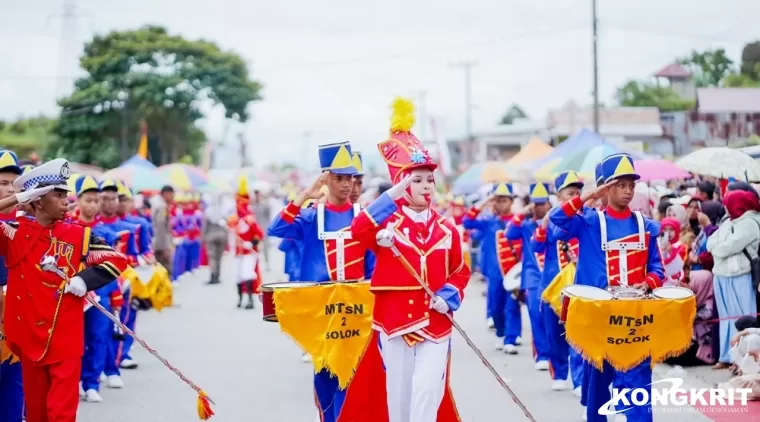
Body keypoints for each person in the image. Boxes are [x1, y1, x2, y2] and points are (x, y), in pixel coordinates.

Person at [340, 97, 466, 422]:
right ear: (401, 185)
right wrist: (391, 197)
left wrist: (449, 297)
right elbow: (358, 229)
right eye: (416, 180)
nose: (425, 186)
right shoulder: (385, 222)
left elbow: (460, 272)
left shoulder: (447, 228)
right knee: (398, 394)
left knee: (428, 389)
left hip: (436, 322)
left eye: (428, 179)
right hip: (394, 320)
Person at [1, 159, 128, 422]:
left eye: (66, 195)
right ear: (38, 201)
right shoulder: (14, 234)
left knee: (60, 413)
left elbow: (117, 259)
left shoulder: (79, 236)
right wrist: (18, 198)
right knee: (36, 413)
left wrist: (83, 280)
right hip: (29, 340)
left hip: (65, 339)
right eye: (57, 195)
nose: (65, 202)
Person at [549, 153, 664, 422]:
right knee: (599, 386)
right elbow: (557, 219)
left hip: (634, 316)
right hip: (598, 318)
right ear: (607, 188)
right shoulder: (588, 222)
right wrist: (587, 196)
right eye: (620, 185)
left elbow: (657, 270)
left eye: (631, 185)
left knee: (638, 384)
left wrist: (647, 283)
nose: (627, 191)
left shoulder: (644, 226)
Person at [267, 141, 375, 422]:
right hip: (320, 311)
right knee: (324, 378)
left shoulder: (363, 218)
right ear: (326, 179)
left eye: (349, 178)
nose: (345, 184)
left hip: (355, 312)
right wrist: (304, 195)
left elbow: (373, 267)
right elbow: (276, 228)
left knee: (349, 379)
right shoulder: (312, 216)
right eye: (338, 178)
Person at [72, 175, 126, 400]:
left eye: (96, 201)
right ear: (78, 200)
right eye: (89, 200)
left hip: (100, 295)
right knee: (75, 342)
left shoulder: (106, 233)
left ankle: (92, 383)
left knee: (98, 337)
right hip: (74, 294)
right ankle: (74, 381)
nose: (94, 205)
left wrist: (115, 295)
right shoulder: (68, 228)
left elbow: (112, 268)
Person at [532, 171, 584, 392]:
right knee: (554, 333)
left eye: (577, 192)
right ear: (559, 195)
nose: (575, 196)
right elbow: (536, 247)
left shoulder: (587, 215)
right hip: (553, 284)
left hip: (579, 282)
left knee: (578, 332)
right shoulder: (553, 217)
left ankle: (580, 380)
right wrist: (543, 227)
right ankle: (560, 373)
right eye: (570, 193)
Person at [462, 183, 523, 353]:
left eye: (504, 200)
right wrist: (484, 202)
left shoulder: (518, 221)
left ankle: (511, 338)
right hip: (494, 272)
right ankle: (501, 333)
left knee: (512, 305)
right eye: (498, 200)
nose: (501, 204)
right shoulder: (488, 221)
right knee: (496, 306)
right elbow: (467, 222)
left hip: (513, 272)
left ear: (511, 202)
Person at [707, 190, 760, 369]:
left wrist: (718, 248)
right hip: (721, 274)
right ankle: (726, 356)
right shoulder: (728, 222)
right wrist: (718, 246)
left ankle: (744, 359)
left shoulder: (750, 223)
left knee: (744, 316)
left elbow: (731, 246)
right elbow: (710, 242)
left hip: (740, 274)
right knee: (725, 318)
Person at [506, 182, 551, 371]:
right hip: (532, 275)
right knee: (535, 312)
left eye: (543, 203)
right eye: (536, 203)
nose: (539, 207)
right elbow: (510, 233)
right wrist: (522, 213)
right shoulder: (525, 225)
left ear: (549, 203)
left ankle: (555, 355)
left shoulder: (555, 221)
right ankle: (542, 354)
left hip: (551, 274)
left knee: (552, 316)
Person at [0, 150, 24, 422]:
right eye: (2, 184)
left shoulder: (29, 226)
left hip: (17, 319)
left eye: (13, 185)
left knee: (13, 391)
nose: (8, 190)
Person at [229, 178, 264, 309]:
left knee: (248, 273)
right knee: (238, 276)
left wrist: (251, 242)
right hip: (238, 252)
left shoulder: (250, 219)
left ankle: (250, 300)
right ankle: (240, 299)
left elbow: (260, 234)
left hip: (249, 252)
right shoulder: (234, 219)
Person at [202, 193, 228, 285]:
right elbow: (227, 226)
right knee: (219, 257)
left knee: (212, 257)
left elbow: (204, 227)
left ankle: (213, 276)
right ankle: (217, 276)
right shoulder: (223, 211)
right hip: (222, 236)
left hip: (211, 236)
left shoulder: (208, 211)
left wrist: (203, 238)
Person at [152, 185, 175, 276]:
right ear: (166, 194)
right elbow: (161, 227)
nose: (173, 197)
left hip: (158, 243)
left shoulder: (158, 204)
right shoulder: (162, 206)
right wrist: (164, 247)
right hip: (161, 244)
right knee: (165, 270)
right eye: (172, 194)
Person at [659, 217, 687, 286]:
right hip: (662, 281)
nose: (668, 232)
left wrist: (671, 251)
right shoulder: (658, 245)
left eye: (671, 229)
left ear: (677, 231)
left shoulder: (680, 246)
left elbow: (680, 264)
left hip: (676, 280)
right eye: (665, 229)